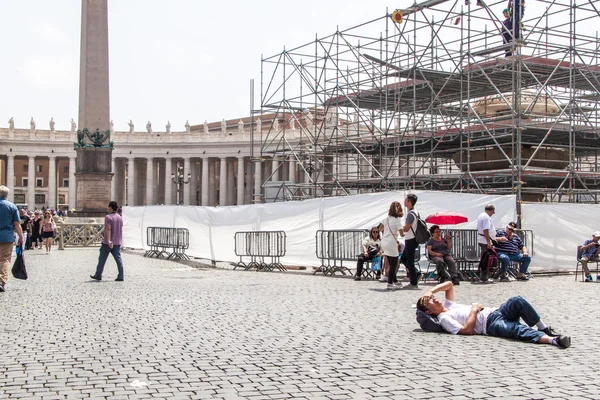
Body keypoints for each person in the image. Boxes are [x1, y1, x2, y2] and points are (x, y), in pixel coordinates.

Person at [416, 281, 571, 348]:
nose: (433, 298)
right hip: (489, 325)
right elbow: (466, 331)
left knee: (517, 300)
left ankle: (543, 328)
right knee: (515, 330)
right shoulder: (444, 318)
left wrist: (430, 290)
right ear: (429, 311)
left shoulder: (448, 306)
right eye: (429, 301)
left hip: (497, 311)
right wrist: (474, 310)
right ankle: (554, 340)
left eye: (431, 297)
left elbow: (449, 284)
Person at [90, 201, 124, 282]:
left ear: (110, 208)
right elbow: (121, 226)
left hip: (107, 243)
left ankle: (98, 275)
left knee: (102, 259)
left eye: (108, 207)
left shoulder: (108, 217)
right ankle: (121, 275)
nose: (107, 208)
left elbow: (108, 229)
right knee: (118, 259)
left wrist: (108, 240)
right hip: (117, 241)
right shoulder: (120, 217)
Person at [0, 186, 24, 292]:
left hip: (6, 236)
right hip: (6, 236)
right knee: (4, 259)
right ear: (7, 195)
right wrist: (21, 237)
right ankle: (1, 281)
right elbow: (17, 224)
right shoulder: (12, 206)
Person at [379, 201, 404, 290]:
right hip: (392, 243)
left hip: (384, 242)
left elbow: (380, 229)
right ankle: (390, 283)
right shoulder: (398, 221)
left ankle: (395, 280)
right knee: (394, 264)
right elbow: (402, 234)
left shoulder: (386, 219)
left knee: (390, 260)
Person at [400, 193, 421, 289]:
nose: (404, 201)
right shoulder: (415, 212)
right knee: (404, 259)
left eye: (405, 200)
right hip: (412, 239)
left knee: (409, 260)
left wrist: (399, 228)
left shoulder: (411, 214)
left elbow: (407, 228)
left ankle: (413, 282)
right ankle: (416, 274)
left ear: (409, 202)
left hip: (410, 239)